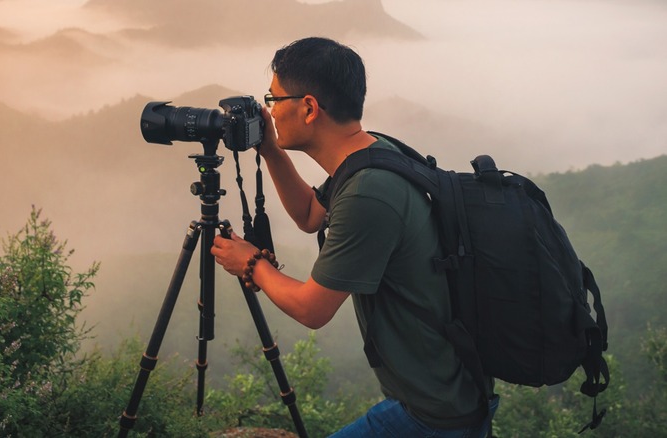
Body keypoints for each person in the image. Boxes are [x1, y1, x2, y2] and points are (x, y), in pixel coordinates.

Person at [210, 37, 497, 437]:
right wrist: (273, 152)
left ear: (308, 108)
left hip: (433, 414)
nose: (269, 111)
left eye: (274, 99)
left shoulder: (369, 193)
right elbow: (310, 216)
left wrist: (251, 264)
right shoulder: (374, 152)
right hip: (445, 392)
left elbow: (313, 310)